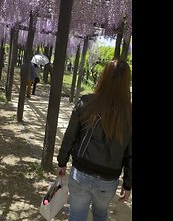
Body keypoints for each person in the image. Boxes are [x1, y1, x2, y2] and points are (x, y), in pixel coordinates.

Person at [56, 59, 132, 221]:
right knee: (100, 214)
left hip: (81, 173)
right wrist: (128, 184)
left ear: (104, 76)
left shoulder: (86, 102)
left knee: (76, 216)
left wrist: (62, 162)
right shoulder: (129, 115)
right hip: (108, 179)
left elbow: (70, 136)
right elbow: (130, 154)